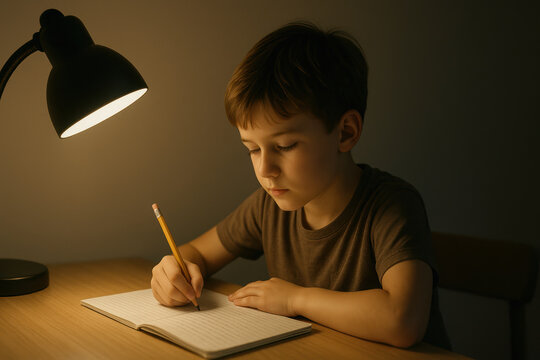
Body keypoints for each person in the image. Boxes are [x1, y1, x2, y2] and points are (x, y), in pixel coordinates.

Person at [151, 22, 451, 350]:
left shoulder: (391, 205)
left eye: (285, 146)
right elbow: (196, 254)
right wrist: (174, 272)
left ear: (346, 132)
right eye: (252, 149)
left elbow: (402, 320)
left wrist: (295, 299)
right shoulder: (269, 206)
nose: (265, 169)